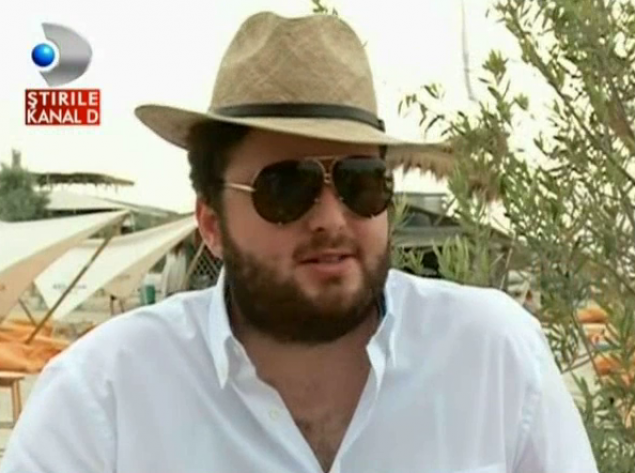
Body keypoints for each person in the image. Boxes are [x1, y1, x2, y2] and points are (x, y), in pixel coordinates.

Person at [0, 12, 598, 473]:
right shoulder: (101, 398)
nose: (332, 219)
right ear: (210, 222)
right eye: (287, 187)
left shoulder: (494, 359)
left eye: (361, 183)